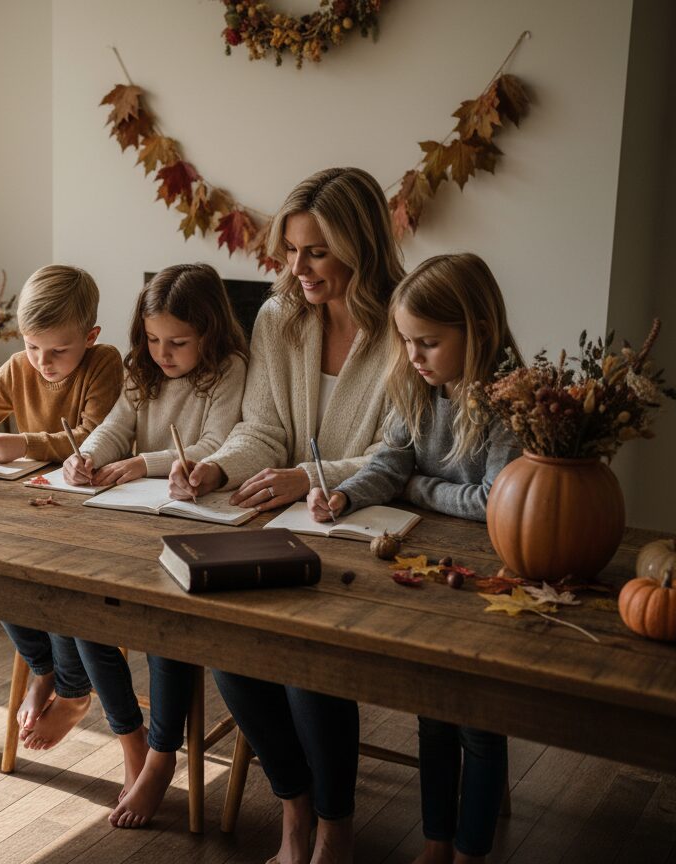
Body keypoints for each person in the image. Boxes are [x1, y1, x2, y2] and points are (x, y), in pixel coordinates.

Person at [170, 167, 405, 864]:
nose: (296, 269)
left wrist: (308, 476)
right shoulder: (278, 317)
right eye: (291, 250)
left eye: (317, 253)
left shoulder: (406, 323)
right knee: (229, 640)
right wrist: (216, 467)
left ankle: (334, 829)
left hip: (373, 526)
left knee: (309, 657)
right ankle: (294, 810)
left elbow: (398, 455)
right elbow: (263, 428)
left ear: (360, 247)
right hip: (292, 525)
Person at [308, 253, 521, 864]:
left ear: (475, 332)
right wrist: (347, 494)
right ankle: (436, 840)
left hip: (492, 578)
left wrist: (415, 491)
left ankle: (472, 849)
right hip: (426, 570)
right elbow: (392, 462)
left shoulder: (510, 399)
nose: (414, 357)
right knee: (431, 710)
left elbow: (493, 501)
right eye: (406, 342)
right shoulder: (417, 385)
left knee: (478, 721)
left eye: (428, 342)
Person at [60, 263, 248, 826]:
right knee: (82, 604)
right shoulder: (142, 370)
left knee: (166, 629)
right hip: (128, 520)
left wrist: (145, 461)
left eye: (178, 342)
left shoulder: (230, 370)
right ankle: (131, 741)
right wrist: (87, 454)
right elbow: (116, 426)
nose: (163, 353)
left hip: (188, 522)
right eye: (152, 338)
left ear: (209, 333)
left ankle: (164, 755)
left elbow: (216, 443)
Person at [0, 264, 123, 750]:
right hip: (35, 505)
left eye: (59, 350)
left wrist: (25, 444)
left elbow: (98, 438)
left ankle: (75, 693)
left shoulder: (105, 364)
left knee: (55, 577)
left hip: (91, 511)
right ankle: (45, 669)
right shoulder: (19, 367)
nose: (43, 361)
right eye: (33, 346)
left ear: (91, 336)